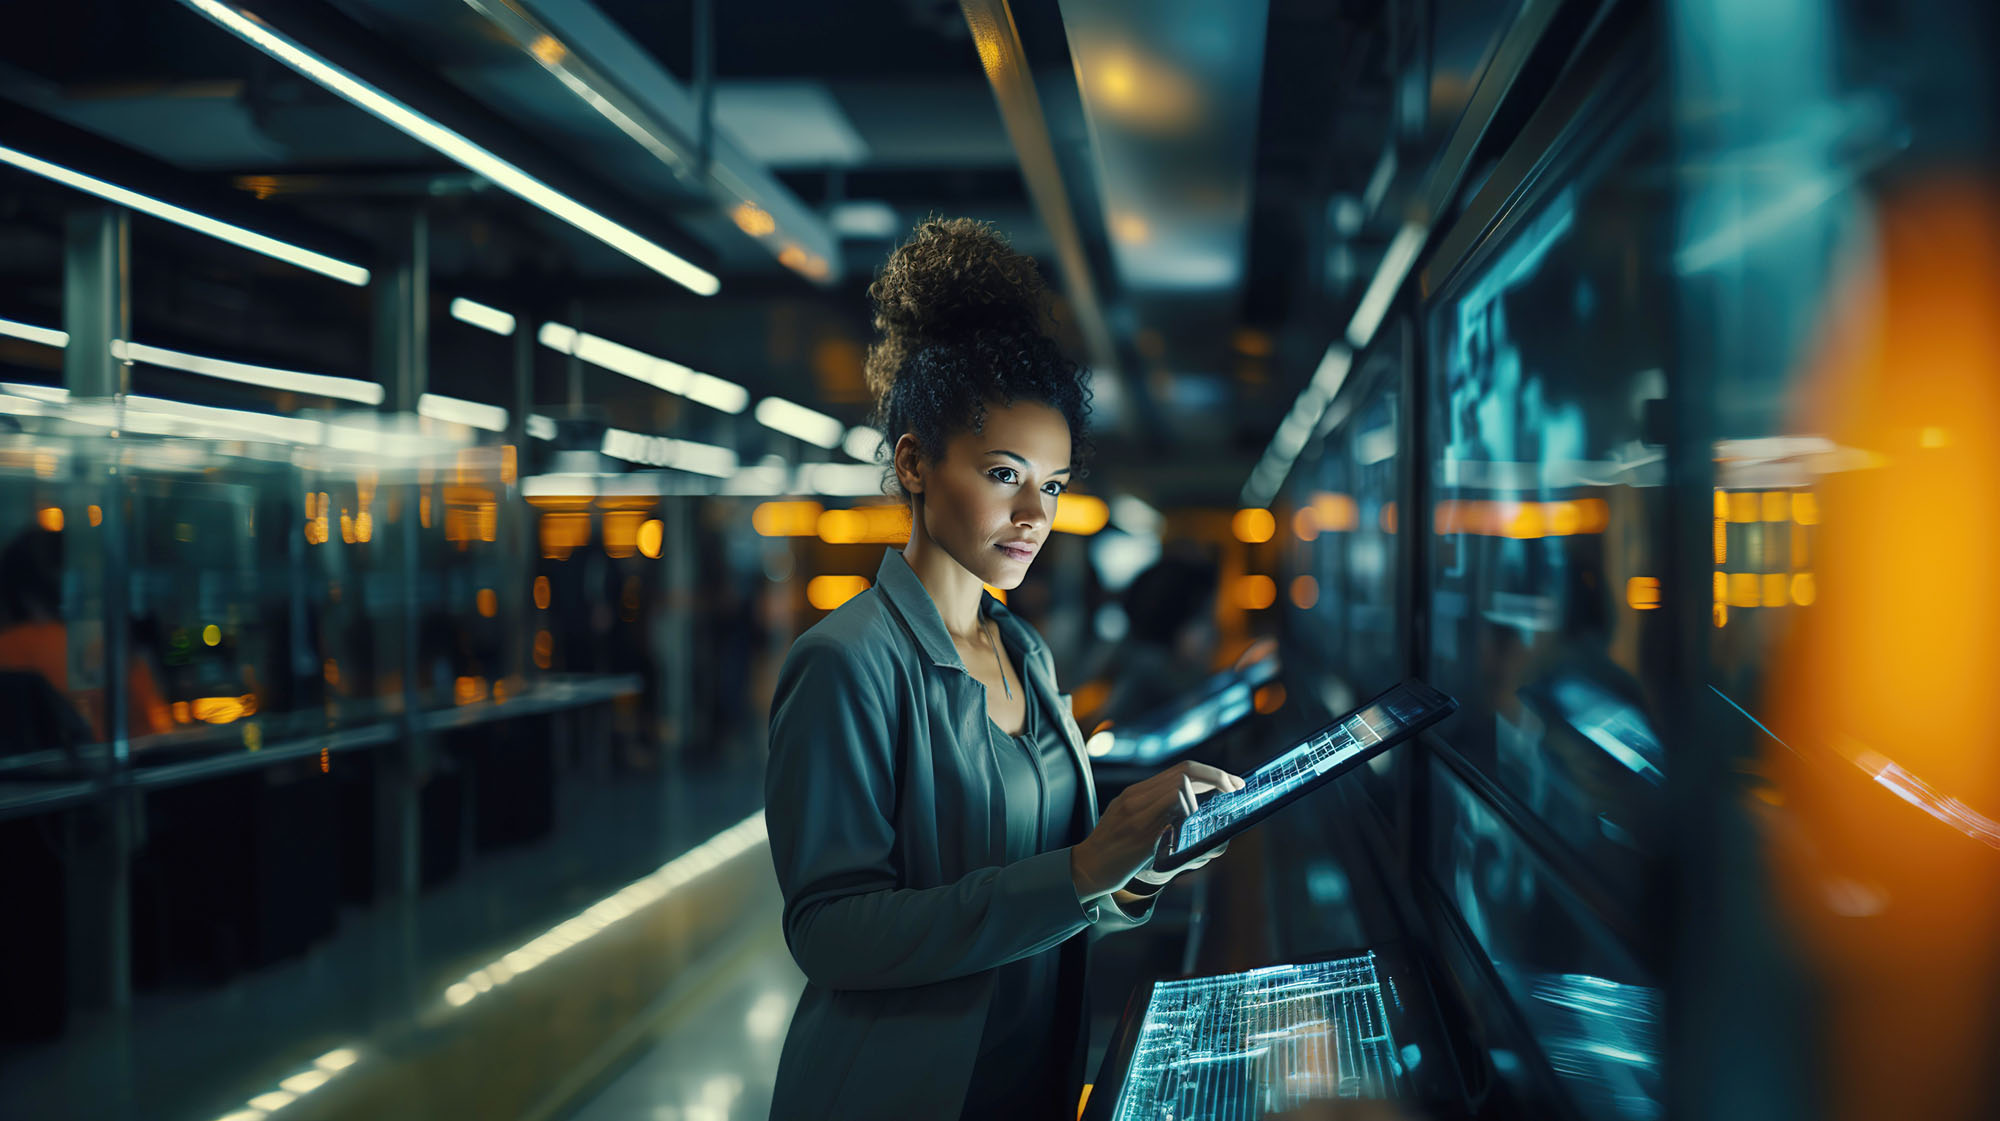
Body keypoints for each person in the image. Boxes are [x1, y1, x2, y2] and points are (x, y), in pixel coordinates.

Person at [763, 219, 1243, 1121]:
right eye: (1004, 472)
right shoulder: (845, 664)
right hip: (895, 1095)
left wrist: (1140, 868)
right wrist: (1083, 866)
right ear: (913, 462)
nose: (1034, 513)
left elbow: (1056, 895)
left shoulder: (1024, 650)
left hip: (1032, 1086)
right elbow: (827, 933)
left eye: (1054, 485)